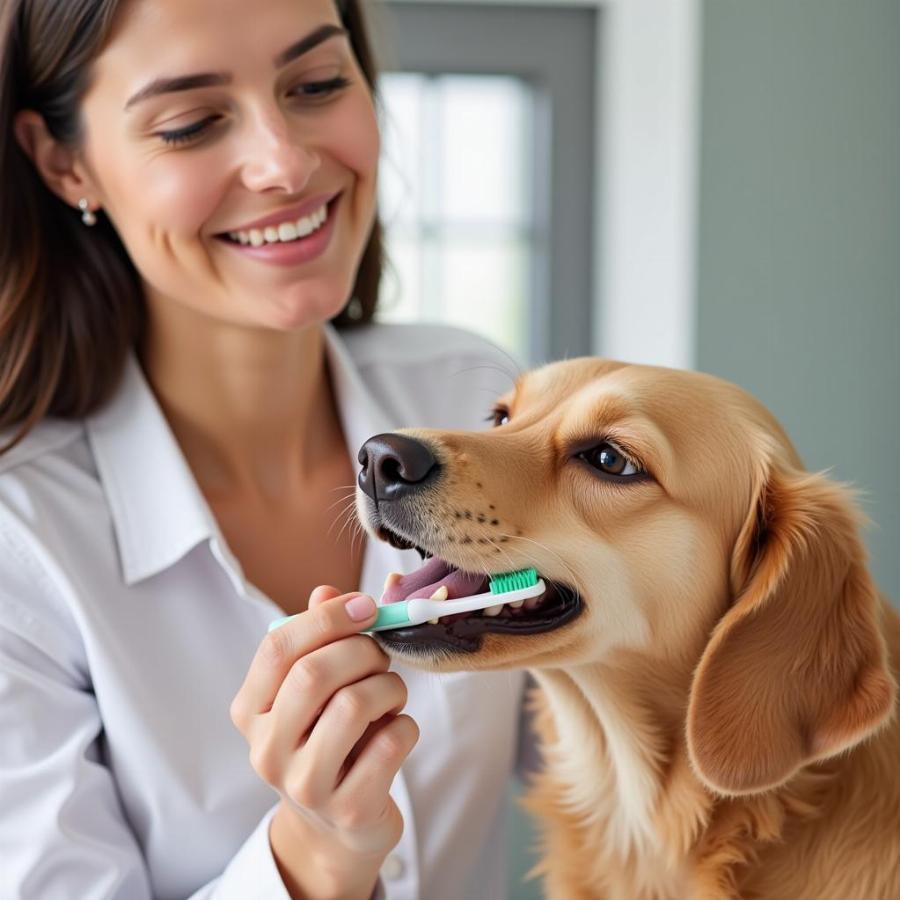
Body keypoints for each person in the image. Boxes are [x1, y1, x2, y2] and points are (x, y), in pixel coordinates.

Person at [0, 0, 535, 898]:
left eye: (318, 83)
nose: (284, 162)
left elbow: (622, 760)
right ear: (64, 162)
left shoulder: (471, 396)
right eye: (190, 123)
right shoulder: (21, 538)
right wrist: (314, 855)